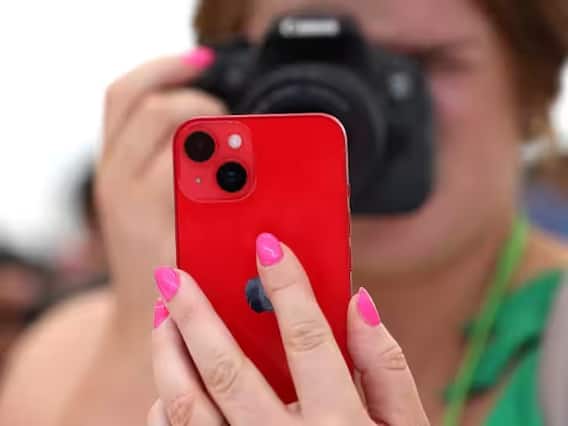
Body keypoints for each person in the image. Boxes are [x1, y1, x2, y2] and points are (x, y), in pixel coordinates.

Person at [1, 0, 568, 424]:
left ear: (532, 89)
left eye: (416, 60)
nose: (347, 104)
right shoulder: (60, 361)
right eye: (306, 60)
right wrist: (141, 338)